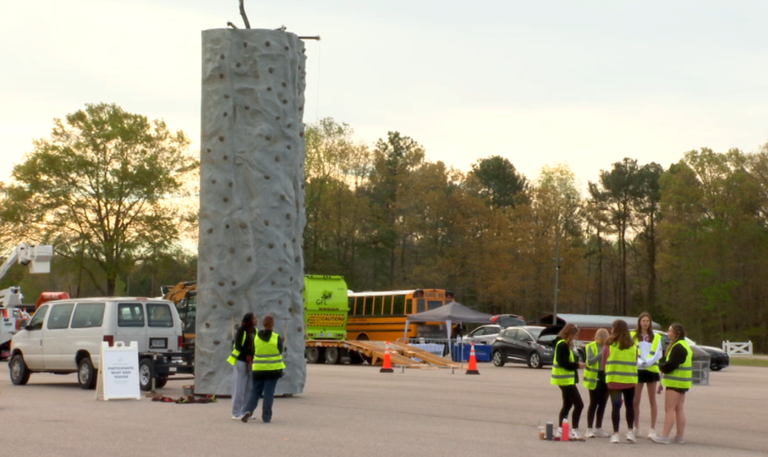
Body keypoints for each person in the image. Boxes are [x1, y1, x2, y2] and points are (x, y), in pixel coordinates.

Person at [651, 323, 693, 445]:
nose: (668, 333)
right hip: (683, 382)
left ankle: (665, 436)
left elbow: (671, 365)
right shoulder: (685, 345)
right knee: (679, 409)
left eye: (670, 331)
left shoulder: (678, 347)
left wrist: (661, 367)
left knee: (669, 409)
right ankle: (679, 436)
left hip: (675, 382)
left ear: (676, 333)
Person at [242, 315, 286, 423]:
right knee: (268, 393)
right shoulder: (276, 337)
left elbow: (253, 350)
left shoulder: (256, 337)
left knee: (255, 391)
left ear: (263, 324)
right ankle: (266, 416)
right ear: (273, 324)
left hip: (258, 369)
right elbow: (280, 351)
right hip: (273, 370)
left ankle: (248, 410)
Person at [603, 319, 638, 443]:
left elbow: (604, 361)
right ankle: (630, 432)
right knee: (629, 406)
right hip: (629, 379)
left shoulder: (609, 344)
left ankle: (616, 434)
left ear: (615, 329)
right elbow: (635, 360)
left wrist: (606, 373)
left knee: (616, 407)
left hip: (614, 380)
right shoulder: (632, 345)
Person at [551, 323, 586, 440]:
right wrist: (577, 365)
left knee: (567, 405)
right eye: (575, 335)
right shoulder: (562, 345)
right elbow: (563, 362)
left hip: (566, 379)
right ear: (569, 334)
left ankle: (561, 430)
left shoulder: (565, 345)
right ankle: (574, 430)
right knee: (579, 404)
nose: (576, 337)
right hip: (565, 380)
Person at [631, 312, 663, 438]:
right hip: (638, 369)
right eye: (643, 321)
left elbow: (658, 353)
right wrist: (639, 362)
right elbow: (632, 351)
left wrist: (647, 362)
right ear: (639, 322)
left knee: (652, 400)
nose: (645, 323)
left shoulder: (655, 336)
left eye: (647, 321)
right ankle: (636, 427)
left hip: (651, 369)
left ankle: (652, 428)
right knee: (635, 400)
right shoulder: (633, 335)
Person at [228, 313, 257, 420]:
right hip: (241, 361)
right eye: (254, 318)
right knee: (239, 387)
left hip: (251, 362)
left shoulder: (255, 331)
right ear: (249, 320)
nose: (256, 320)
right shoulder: (241, 330)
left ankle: (246, 411)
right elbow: (239, 346)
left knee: (249, 388)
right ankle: (236, 412)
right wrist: (250, 352)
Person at [584, 328, 610, 438]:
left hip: (606, 376)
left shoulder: (610, 347)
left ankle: (598, 427)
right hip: (595, 376)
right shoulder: (590, 346)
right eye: (601, 340)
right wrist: (602, 353)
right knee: (594, 402)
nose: (603, 342)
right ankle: (589, 428)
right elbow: (590, 361)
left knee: (603, 403)